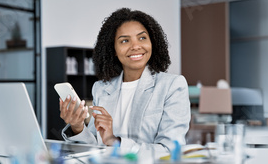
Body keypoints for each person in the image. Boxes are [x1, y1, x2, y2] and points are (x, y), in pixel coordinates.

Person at [59, 8, 190, 153]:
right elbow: (94, 147)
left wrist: (115, 141)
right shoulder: (101, 88)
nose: (135, 46)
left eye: (142, 38)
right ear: (113, 49)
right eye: (125, 41)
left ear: (152, 42)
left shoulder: (172, 85)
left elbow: (170, 150)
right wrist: (77, 127)